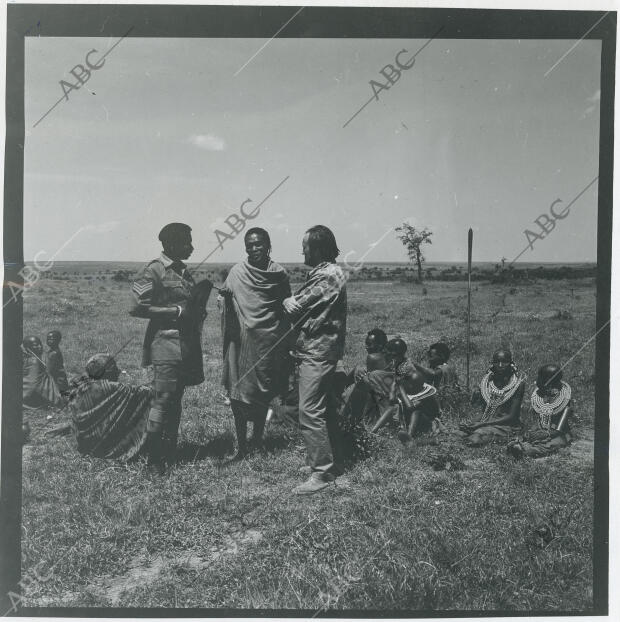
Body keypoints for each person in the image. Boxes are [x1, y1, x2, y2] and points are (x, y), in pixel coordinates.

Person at [129, 223, 211, 475]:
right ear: (171, 244)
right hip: (164, 343)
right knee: (163, 399)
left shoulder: (184, 272)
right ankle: (153, 458)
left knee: (176, 400)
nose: (191, 247)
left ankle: (169, 450)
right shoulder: (153, 270)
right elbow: (136, 308)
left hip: (186, 344)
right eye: (186, 242)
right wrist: (175, 312)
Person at [283, 225, 347, 495]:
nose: (302, 251)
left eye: (306, 246)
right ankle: (327, 460)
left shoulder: (328, 275)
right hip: (318, 348)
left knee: (309, 410)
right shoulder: (326, 273)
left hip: (318, 350)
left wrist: (286, 300)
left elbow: (297, 304)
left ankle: (321, 472)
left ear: (318, 248)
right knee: (323, 407)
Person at [220, 227, 292, 460]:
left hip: (267, 343)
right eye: (249, 245)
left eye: (258, 244)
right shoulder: (237, 272)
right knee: (238, 393)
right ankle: (241, 446)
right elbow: (225, 297)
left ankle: (258, 440)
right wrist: (223, 300)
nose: (254, 248)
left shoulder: (278, 274)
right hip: (240, 342)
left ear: (268, 245)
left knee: (263, 393)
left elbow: (286, 307)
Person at [47, 354, 154, 462]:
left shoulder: (80, 386)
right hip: (104, 448)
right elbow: (145, 391)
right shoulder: (113, 389)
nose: (118, 371)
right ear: (105, 372)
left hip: (84, 444)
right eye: (114, 368)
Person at [457, 349, 525, 446]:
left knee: (476, 437)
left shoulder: (518, 384)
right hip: (487, 421)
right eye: (497, 362)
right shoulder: (488, 382)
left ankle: (511, 437)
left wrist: (481, 424)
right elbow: (485, 411)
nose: (500, 365)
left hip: (507, 425)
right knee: (458, 433)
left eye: (504, 362)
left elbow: (512, 416)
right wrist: (472, 423)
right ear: (492, 363)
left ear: (511, 363)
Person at [507, 364, 573, 459]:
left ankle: (526, 451)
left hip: (558, 434)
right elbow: (539, 420)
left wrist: (546, 433)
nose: (538, 381)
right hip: (541, 431)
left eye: (542, 379)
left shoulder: (565, 399)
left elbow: (560, 428)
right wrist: (532, 432)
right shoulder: (540, 396)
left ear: (550, 381)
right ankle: (519, 446)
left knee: (548, 444)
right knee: (527, 438)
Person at [371, 370, 439, 437]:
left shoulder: (424, 396)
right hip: (406, 419)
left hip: (425, 422)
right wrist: (394, 384)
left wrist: (401, 388)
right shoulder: (407, 391)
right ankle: (373, 431)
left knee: (416, 411)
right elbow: (391, 399)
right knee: (393, 407)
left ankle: (409, 436)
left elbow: (410, 407)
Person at [22, 336, 64, 410]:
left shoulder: (31, 357)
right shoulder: (34, 361)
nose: (40, 347)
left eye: (40, 344)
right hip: (31, 397)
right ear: (28, 348)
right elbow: (32, 384)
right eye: (35, 345)